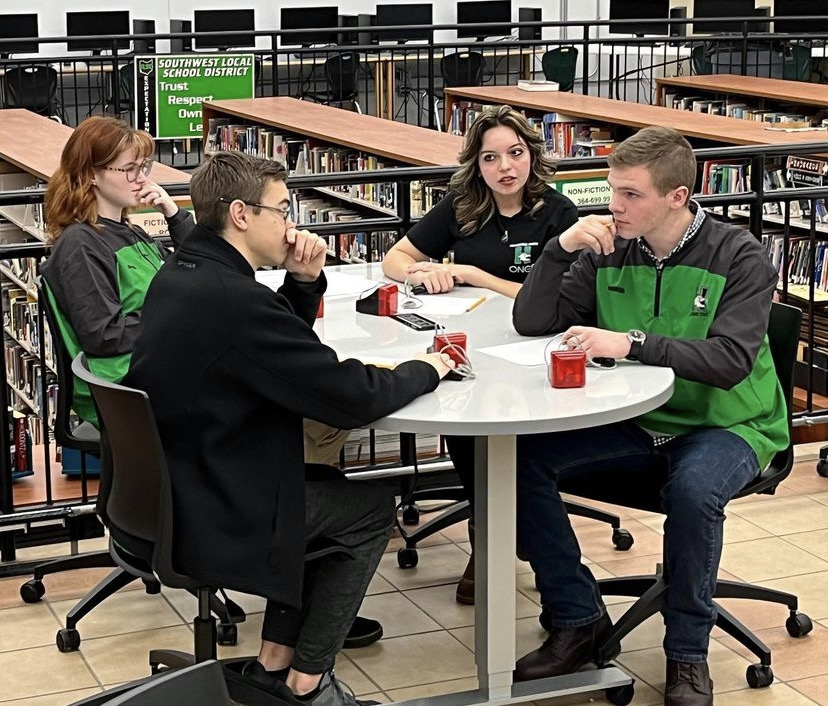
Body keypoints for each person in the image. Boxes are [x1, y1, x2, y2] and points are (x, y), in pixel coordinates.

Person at [125, 150, 456, 706]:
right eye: (281, 209)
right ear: (240, 214)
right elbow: (347, 399)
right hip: (214, 505)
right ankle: (308, 686)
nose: (292, 224)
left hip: (177, 487)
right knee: (369, 512)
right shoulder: (234, 299)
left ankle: (275, 663)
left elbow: (267, 353)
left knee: (323, 489)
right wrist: (429, 367)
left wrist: (303, 283)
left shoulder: (184, 271)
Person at [511, 126, 788, 705]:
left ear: (677, 197)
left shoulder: (739, 255)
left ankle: (687, 654)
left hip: (729, 423)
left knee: (692, 493)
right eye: (612, 190)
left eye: (631, 194)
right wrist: (559, 250)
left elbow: (730, 362)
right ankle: (576, 616)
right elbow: (532, 323)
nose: (615, 206)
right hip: (639, 420)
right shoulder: (607, 247)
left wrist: (630, 342)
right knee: (517, 458)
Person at [381, 105, 578, 604]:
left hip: (536, 350)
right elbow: (394, 257)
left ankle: (513, 528)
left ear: (532, 155)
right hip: (476, 343)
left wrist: (473, 275)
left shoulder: (559, 214)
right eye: (491, 158)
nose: (505, 168)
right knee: (462, 422)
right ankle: (486, 534)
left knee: (515, 434)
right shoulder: (461, 206)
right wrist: (422, 274)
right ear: (477, 164)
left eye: (515, 154)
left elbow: (551, 300)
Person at [41, 115, 194, 427]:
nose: (141, 179)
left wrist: (174, 214)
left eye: (144, 167)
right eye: (129, 169)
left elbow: (198, 270)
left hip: (154, 368)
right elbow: (104, 335)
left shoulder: (129, 232)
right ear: (91, 174)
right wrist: (174, 320)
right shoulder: (80, 245)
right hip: (127, 387)